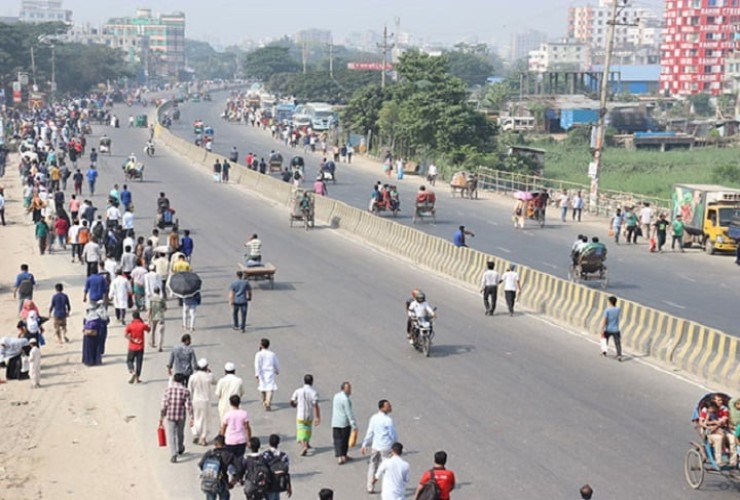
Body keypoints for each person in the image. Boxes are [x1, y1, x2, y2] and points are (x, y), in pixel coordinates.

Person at [361, 399, 398, 494]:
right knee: (386, 468)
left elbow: (370, 432)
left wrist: (365, 443)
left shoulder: (373, 418)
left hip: (375, 446)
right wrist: (395, 446)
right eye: (388, 406)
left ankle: (370, 486)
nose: (390, 407)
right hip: (386, 447)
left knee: (372, 466)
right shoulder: (388, 420)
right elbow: (392, 435)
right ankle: (386, 487)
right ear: (382, 408)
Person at [160, 372, 194, 463]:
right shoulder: (185, 391)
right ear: (183, 381)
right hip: (181, 415)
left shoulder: (168, 390)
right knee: (180, 433)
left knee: (171, 434)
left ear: (174, 380)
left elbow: (164, 404)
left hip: (170, 414)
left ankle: (173, 454)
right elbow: (188, 405)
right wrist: (192, 416)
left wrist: (162, 416)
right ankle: (180, 448)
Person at [198, 435, 242, 500]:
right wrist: (234, 480)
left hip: (210, 481)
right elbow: (239, 468)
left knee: (210, 497)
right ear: (224, 444)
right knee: (224, 496)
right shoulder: (228, 454)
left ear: (215, 444)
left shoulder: (209, 453)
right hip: (223, 481)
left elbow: (201, 465)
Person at [699, 398, 738, 468]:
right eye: (718, 400)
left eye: (721, 400)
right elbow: (702, 422)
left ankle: (733, 462)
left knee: (732, 439)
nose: (720, 402)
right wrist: (712, 424)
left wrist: (720, 424)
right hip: (710, 433)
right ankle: (719, 461)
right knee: (719, 438)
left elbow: (725, 421)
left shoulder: (723, 409)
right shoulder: (706, 410)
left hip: (722, 430)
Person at [290, 374, 320, 456]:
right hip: (309, 415)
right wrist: (317, 417)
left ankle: (304, 446)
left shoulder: (298, 391)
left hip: (300, 415)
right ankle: (307, 443)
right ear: (312, 382)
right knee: (307, 430)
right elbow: (315, 405)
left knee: (300, 431)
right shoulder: (313, 392)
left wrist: (294, 405)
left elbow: (292, 401)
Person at [189, 358, 215, 447]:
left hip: (196, 400)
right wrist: (210, 372)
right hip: (206, 401)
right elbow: (215, 381)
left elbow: (190, 390)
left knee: (196, 418)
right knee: (205, 420)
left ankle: (196, 433)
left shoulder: (193, 376)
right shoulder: (208, 376)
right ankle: (203, 438)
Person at [332, 381, 357, 465]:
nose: (350, 390)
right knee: (344, 440)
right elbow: (348, 412)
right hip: (344, 423)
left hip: (335, 422)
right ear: (344, 389)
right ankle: (343, 455)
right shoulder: (346, 399)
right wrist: (353, 424)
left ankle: (340, 457)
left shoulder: (336, 396)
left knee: (337, 440)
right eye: (349, 388)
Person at [220, 394, 252, 459]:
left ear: (230, 403)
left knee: (229, 459)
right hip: (241, 440)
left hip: (229, 440)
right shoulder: (244, 414)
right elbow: (247, 428)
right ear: (239, 403)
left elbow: (223, 428)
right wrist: (248, 440)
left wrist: (221, 439)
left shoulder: (227, 414)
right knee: (239, 459)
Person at [262, 434, 292, 500]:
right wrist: (289, 486)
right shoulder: (284, 456)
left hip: (269, 483)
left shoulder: (265, 455)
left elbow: (262, 470)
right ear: (278, 443)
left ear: (269, 442)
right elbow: (286, 471)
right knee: (276, 496)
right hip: (279, 483)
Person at [254, 338, 280, 411]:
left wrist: (257, 375)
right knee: (270, 388)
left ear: (261, 345)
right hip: (270, 372)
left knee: (263, 387)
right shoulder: (272, 354)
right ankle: (268, 401)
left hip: (262, 373)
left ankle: (264, 401)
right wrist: (277, 370)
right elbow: (276, 363)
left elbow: (257, 365)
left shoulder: (258, 354)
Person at [125, 311, 149, 383]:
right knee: (139, 362)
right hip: (140, 347)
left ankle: (132, 371)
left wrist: (133, 339)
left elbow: (126, 335)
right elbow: (148, 329)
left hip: (132, 347)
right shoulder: (142, 325)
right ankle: (137, 378)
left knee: (129, 360)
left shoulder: (130, 325)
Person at [600, 295, 623, 362]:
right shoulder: (618, 309)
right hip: (616, 329)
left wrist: (602, 328)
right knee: (617, 343)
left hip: (608, 329)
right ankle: (619, 355)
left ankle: (604, 352)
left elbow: (605, 319)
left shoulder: (607, 310)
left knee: (604, 340)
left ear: (610, 302)